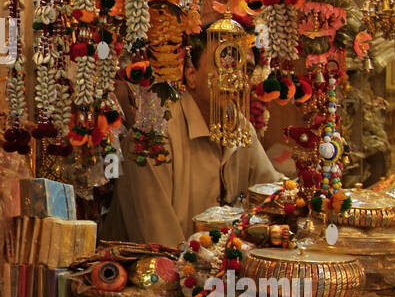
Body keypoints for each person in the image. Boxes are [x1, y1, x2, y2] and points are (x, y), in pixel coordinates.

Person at [106, 32, 282, 251]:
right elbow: (159, 240)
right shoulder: (155, 132)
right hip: (157, 273)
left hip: (221, 273)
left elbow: (273, 196)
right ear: (191, 74)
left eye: (245, 69)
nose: (236, 78)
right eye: (225, 63)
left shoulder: (240, 127)